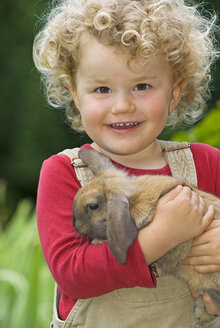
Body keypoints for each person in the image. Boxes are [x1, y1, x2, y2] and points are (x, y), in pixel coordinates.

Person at [34, 0, 220, 326]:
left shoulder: (207, 163)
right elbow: (72, 274)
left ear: (175, 92)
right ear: (75, 94)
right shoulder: (63, 172)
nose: (122, 105)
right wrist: (158, 238)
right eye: (102, 89)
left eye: (142, 86)